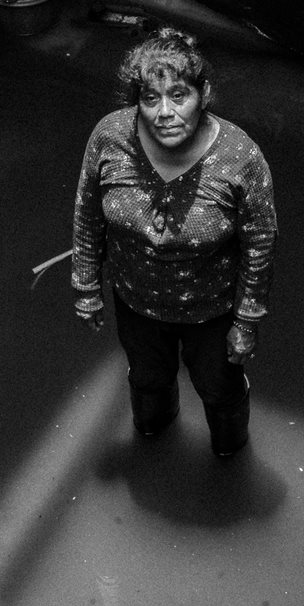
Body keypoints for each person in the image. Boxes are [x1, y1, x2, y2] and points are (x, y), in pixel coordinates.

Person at [70, 28, 277, 458]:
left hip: (213, 311)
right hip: (136, 302)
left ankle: (231, 455)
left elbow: (260, 245)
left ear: (203, 95)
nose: (165, 112)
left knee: (221, 394)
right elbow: (87, 215)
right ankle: (152, 438)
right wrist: (87, 287)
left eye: (178, 95)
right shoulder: (110, 138)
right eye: (150, 98)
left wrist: (246, 322)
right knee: (147, 384)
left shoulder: (240, 157)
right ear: (136, 101)